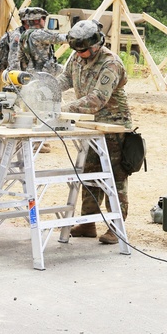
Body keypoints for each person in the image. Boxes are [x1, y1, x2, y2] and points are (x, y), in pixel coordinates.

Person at [56, 20, 132, 245]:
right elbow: (65, 79)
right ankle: (88, 222)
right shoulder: (78, 56)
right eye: (77, 50)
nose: (81, 54)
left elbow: (97, 99)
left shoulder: (111, 64)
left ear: (98, 43)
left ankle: (116, 227)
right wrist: (44, 88)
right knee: (88, 174)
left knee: (115, 177)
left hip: (113, 125)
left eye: (85, 50)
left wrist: (60, 109)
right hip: (88, 125)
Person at [18, 7, 67, 73]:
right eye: (43, 18)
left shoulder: (24, 35)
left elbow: (20, 57)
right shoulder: (40, 34)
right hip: (45, 73)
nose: (45, 20)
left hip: (31, 71)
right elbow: (60, 38)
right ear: (36, 20)